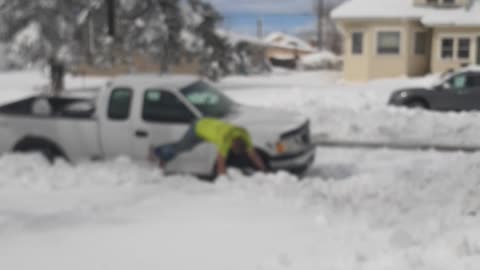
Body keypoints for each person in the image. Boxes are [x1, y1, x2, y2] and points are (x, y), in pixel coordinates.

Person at [150, 118, 267, 175]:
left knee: (184, 148)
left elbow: (254, 155)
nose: (230, 150)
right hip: (198, 129)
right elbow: (221, 164)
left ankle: (163, 158)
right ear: (232, 144)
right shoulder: (225, 140)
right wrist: (225, 180)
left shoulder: (244, 135)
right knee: (183, 147)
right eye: (232, 149)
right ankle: (157, 151)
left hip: (209, 128)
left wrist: (263, 169)